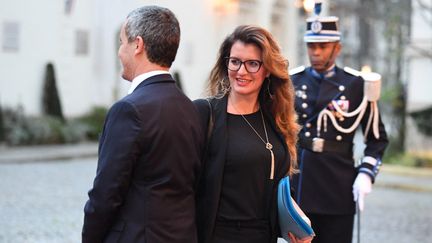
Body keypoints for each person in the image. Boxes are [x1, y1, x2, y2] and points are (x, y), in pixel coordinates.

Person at [82, 6, 204, 243]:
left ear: (137, 45)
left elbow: (105, 195)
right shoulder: (191, 108)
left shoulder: (128, 110)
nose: (119, 52)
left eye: (122, 42)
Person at [193, 25, 312, 243]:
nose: (241, 71)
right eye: (235, 61)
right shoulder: (204, 112)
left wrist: (298, 220)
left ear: (267, 70)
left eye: (252, 64)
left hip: (262, 236)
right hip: (217, 236)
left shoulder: (276, 119)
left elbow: (276, 184)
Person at [290, 2, 388, 243]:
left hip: (338, 185)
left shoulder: (356, 85)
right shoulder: (292, 81)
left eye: (323, 46)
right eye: (312, 46)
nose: (316, 52)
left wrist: (366, 174)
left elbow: (376, 139)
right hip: (300, 184)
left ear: (337, 48)